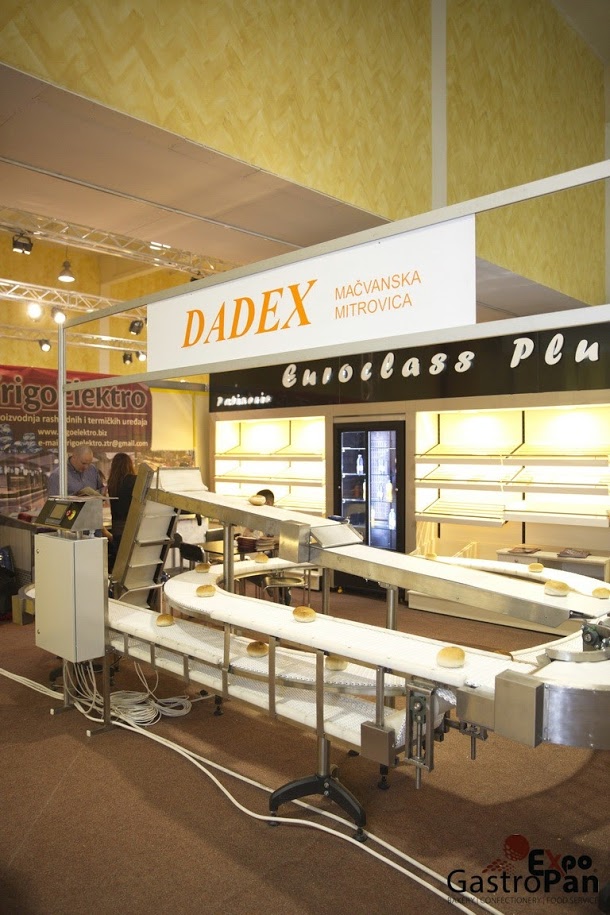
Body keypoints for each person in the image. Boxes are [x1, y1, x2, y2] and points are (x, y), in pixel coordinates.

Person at [106, 452, 137, 572]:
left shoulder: (112, 483)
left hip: (117, 529)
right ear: (129, 465)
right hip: (131, 528)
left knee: (120, 564)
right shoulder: (133, 480)